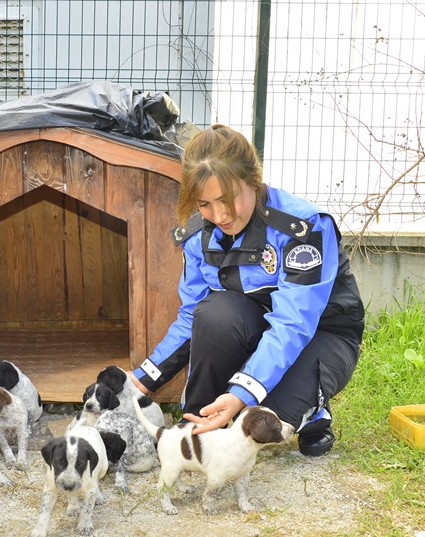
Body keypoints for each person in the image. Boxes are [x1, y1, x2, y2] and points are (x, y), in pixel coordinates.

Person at [130, 124, 364, 457]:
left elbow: (292, 325)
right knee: (214, 313)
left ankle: (313, 411)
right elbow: (190, 318)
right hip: (255, 329)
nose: (220, 215)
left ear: (254, 181)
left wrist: (242, 393)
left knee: (260, 423)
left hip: (320, 336)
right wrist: (142, 378)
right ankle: (200, 417)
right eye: (205, 204)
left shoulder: (303, 229)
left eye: (228, 199)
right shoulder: (198, 235)